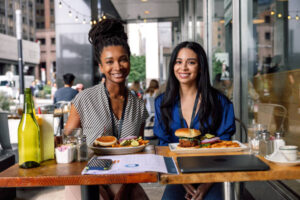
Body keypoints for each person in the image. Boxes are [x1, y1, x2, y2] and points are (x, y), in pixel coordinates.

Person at [64, 18, 149, 200]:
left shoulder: (139, 106)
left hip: (124, 178)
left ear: (129, 62)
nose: (117, 67)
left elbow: (139, 154)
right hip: (84, 176)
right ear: (101, 66)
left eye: (123, 60)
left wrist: (123, 191)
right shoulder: (83, 99)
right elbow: (67, 147)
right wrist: (96, 188)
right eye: (109, 62)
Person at [154, 41, 236, 200]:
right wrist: (182, 179)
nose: (183, 68)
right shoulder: (162, 103)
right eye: (179, 62)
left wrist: (205, 184)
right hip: (178, 174)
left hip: (212, 174)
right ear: (173, 66)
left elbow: (225, 146)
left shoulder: (220, 102)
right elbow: (164, 146)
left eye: (191, 62)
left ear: (200, 67)